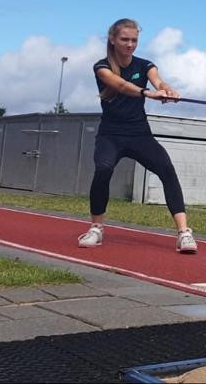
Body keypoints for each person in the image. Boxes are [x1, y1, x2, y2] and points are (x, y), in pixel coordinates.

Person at [77, 18, 198, 254]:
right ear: (112, 40)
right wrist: (147, 93)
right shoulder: (101, 67)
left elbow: (158, 80)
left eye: (134, 40)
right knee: (103, 169)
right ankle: (97, 227)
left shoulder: (145, 65)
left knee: (166, 169)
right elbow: (120, 85)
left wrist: (166, 90)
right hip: (111, 134)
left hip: (139, 133)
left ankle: (184, 233)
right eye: (125, 39)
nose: (130, 44)